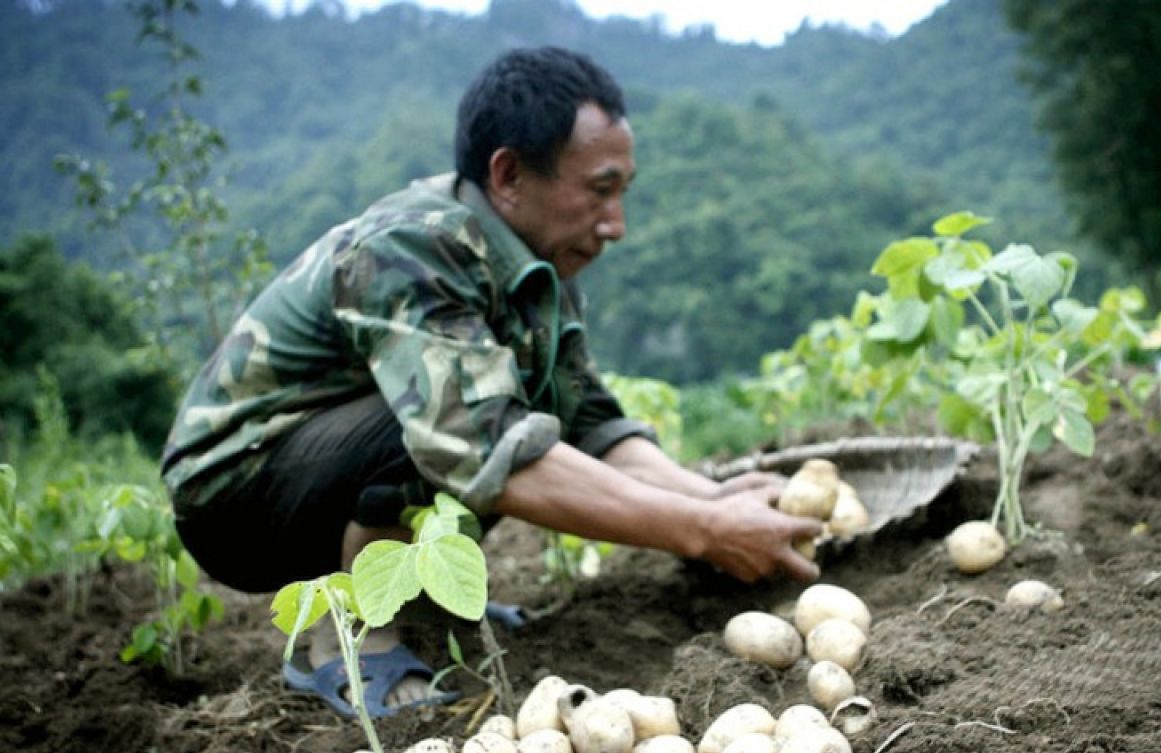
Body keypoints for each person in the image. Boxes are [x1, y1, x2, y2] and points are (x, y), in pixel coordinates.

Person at [162, 46, 821, 717]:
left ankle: (419, 602)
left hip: (328, 464)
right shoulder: (408, 248)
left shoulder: (537, 270)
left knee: (501, 399)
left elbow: (589, 419)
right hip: (237, 496)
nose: (616, 225)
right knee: (448, 415)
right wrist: (704, 529)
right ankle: (348, 639)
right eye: (600, 190)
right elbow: (481, 443)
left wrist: (709, 495)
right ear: (508, 174)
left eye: (622, 193)